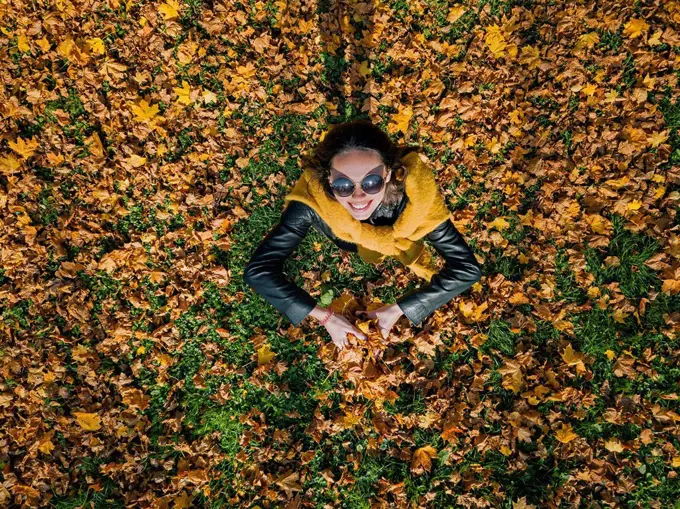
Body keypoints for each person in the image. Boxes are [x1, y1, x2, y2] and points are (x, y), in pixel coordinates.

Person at [244, 119, 482, 350]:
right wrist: (325, 317)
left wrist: (397, 309)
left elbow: (467, 269)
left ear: (388, 174)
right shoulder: (312, 199)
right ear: (328, 178)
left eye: (371, 182)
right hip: (345, 238)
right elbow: (259, 271)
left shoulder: (418, 200)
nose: (358, 197)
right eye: (343, 186)